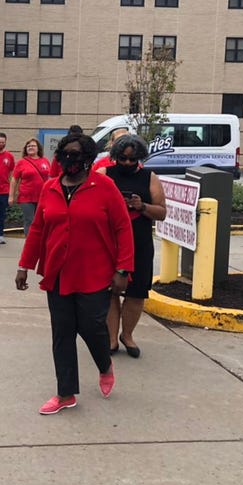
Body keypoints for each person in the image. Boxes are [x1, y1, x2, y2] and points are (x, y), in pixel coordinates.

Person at [15, 133, 134, 415]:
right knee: (63, 332)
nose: (69, 158)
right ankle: (65, 393)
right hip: (57, 273)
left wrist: (123, 269)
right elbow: (38, 230)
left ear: (88, 159)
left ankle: (104, 365)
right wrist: (24, 265)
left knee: (92, 327)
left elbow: (123, 228)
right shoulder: (50, 188)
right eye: (65, 153)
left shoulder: (104, 187)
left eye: (76, 154)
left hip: (94, 272)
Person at [99, 134, 167, 358]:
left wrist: (141, 205)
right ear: (115, 156)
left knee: (137, 293)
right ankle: (111, 339)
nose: (127, 163)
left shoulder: (150, 178)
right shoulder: (104, 175)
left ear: (140, 158)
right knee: (111, 291)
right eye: (123, 158)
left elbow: (162, 212)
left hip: (140, 243)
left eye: (133, 159)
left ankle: (127, 335)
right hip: (110, 244)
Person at [9, 138, 51, 235]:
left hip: (42, 196)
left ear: (38, 148)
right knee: (30, 220)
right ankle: (30, 242)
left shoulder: (45, 161)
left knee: (41, 221)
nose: (30, 147)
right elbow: (14, 179)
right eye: (28, 146)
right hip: (26, 197)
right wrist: (11, 196)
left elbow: (50, 177)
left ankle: (39, 242)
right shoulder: (21, 162)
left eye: (33, 146)